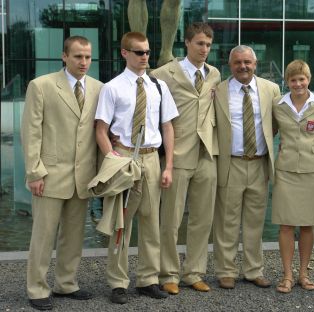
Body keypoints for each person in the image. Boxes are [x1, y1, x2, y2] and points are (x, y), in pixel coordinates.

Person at [95, 31, 178, 304]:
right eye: (139, 52)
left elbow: (167, 126)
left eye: (147, 52)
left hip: (153, 158)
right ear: (125, 53)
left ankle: (148, 280)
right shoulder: (112, 88)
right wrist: (114, 160)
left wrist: (169, 167)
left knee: (152, 223)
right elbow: (101, 130)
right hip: (125, 158)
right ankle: (118, 282)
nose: (145, 57)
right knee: (121, 225)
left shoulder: (159, 87)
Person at [21, 36, 103, 311]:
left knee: (74, 234)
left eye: (88, 57)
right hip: (49, 174)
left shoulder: (98, 89)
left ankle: (66, 283)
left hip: (82, 176)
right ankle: (37, 288)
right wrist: (34, 173)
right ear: (64, 56)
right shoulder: (41, 86)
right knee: (43, 235)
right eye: (78, 56)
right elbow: (31, 132)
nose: (84, 62)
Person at [151, 22, 221, 294]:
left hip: (207, 155)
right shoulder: (162, 74)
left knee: (203, 220)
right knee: (170, 220)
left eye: (208, 45)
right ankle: (168, 272)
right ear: (188, 43)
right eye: (200, 43)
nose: (205, 49)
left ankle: (194, 272)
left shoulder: (214, 74)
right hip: (176, 156)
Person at [213, 45, 280, 290]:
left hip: (259, 163)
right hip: (231, 163)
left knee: (255, 221)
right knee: (227, 221)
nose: (243, 66)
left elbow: (275, 123)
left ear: (255, 63)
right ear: (230, 65)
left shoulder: (271, 89)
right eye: (238, 62)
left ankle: (253, 270)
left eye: (247, 62)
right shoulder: (218, 91)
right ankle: (226, 271)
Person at [271, 60, 314, 293]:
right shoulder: (277, 105)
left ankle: (303, 274)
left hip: (311, 170)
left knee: (307, 224)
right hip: (285, 169)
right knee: (286, 224)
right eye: (293, 80)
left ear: (309, 79)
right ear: (287, 82)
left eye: (302, 79)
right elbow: (269, 131)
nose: (298, 84)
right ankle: (287, 275)